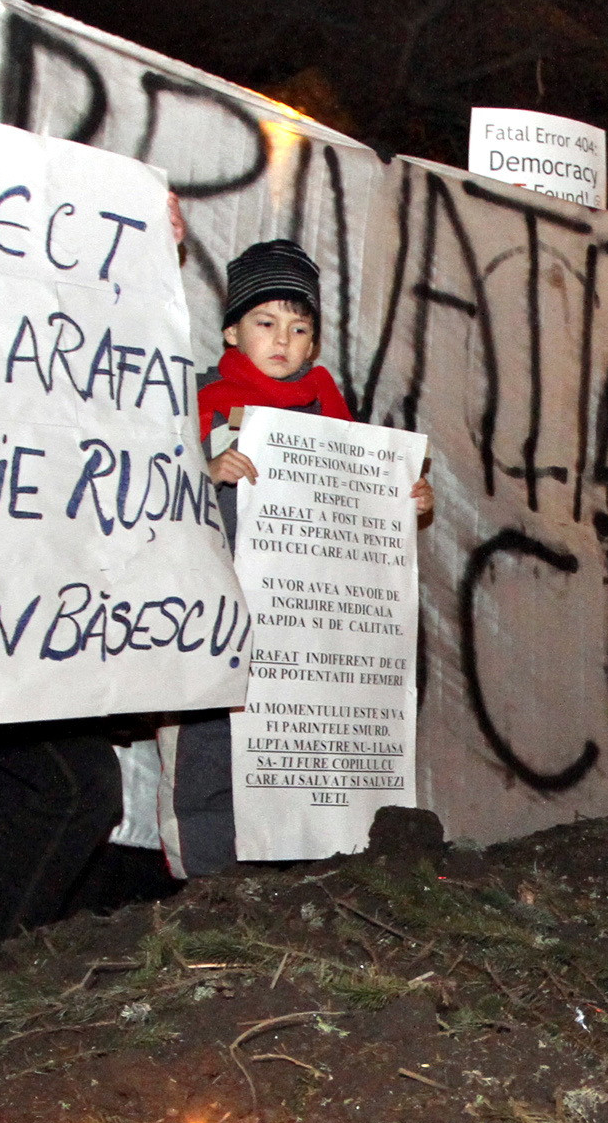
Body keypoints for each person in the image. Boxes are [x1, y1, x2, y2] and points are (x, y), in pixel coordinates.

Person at [154, 239, 430, 879]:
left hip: (304, 642)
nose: (283, 339)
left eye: (299, 328)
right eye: (265, 322)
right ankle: (208, 896)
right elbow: (148, 494)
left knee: (303, 766)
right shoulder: (192, 406)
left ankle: (305, 894)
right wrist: (204, 468)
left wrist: (404, 498)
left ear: (314, 346)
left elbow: (361, 526)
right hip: (217, 628)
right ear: (231, 332)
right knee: (210, 760)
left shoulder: (342, 426)